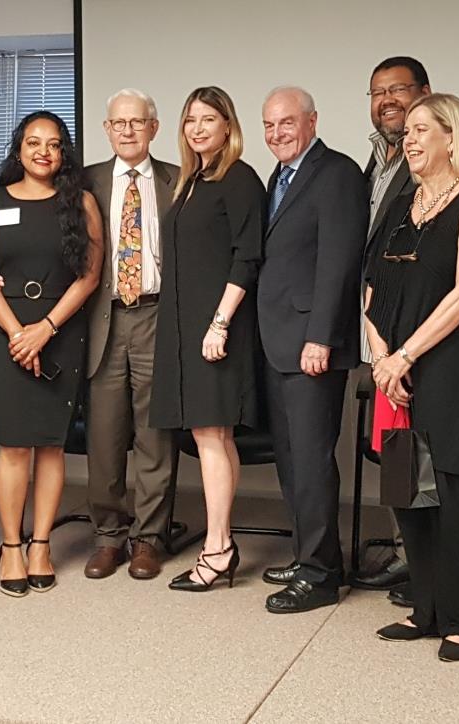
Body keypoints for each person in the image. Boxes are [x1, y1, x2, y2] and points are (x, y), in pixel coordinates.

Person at [349, 56, 459, 611]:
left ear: (451, 136)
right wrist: (381, 356)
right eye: (407, 132)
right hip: (394, 370)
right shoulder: (401, 205)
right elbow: (371, 288)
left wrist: (405, 354)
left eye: (419, 131)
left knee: (449, 494)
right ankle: (427, 610)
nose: (407, 140)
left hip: (444, 364)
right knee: (404, 490)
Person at [0, 111, 103, 597]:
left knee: (50, 443)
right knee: (14, 445)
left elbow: (89, 276)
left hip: (62, 330)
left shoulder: (81, 203)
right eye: (32, 142)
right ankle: (11, 546)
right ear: (19, 150)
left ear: (64, 152)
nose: (43, 151)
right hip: (6, 332)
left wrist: (44, 330)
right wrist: (17, 333)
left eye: (53, 143)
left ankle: (42, 544)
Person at [256, 86, 367, 613]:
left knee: (313, 459)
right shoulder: (277, 178)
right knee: (292, 458)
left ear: (312, 121)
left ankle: (321, 576)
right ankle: (309, 557)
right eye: (270, 125)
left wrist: (320, 335)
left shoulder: (338, 173)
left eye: (287, 123)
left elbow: (339, 262)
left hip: (311, 344)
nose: (277, 133)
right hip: (277, 342)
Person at [150, 86, 266, 592]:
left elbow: (247, 257)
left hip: (216, 330)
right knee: (209, 437)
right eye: (191, 120)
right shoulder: (189, 181)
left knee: (212, 436)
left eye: (209, 119)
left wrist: (219, 323)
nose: (198, 128)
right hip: (182, 329)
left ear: (228, 126)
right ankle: (222, 543)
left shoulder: (238, 179)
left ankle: (217, 548)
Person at [82, 89, 180, 580]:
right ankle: (108, 537)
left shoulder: (179, 181)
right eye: (117, 123)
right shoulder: (87, 182)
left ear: (153, 128)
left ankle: (148, 538)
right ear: (106, 129)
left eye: (136, 122)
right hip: (103, 318)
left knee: (154, 438)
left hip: (157, 317)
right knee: (104, 436)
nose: (126, 130)